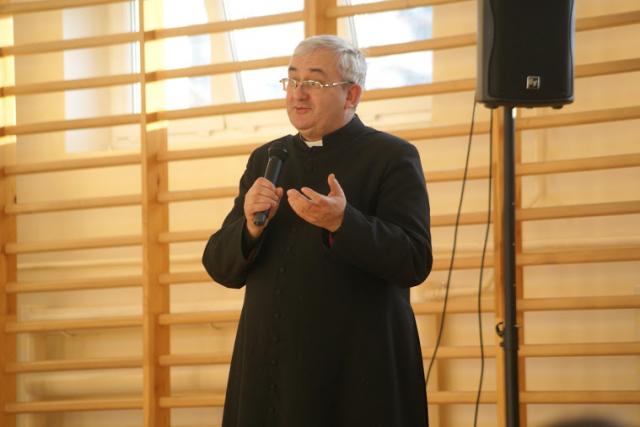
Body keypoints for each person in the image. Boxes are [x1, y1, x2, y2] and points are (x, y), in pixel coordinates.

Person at [202, 35, 433, 427]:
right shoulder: (266, 158)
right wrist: (250, 228)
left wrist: (343, 222)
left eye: (313, 81)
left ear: (351, 94)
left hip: (355, 370)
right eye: (292, 81)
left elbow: (414, 260)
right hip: (273, 369)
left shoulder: (392, 157)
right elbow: (219, 265)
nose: (298, 93)